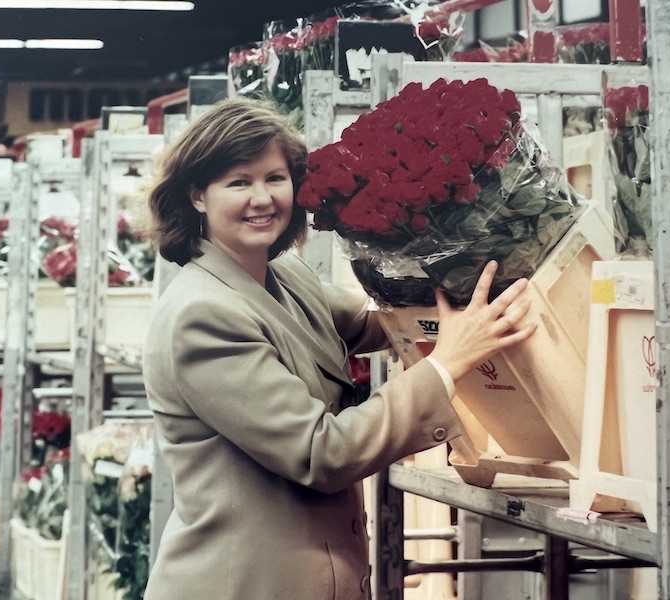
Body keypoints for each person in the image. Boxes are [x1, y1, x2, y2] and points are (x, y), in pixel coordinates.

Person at [142, 96, 537, 599]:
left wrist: (461, 263)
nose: (262, 199)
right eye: (238, 182)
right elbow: (322, 451)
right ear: (197, 195)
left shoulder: (281, 275)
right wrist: (448, 362)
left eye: (274, 178)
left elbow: (379, 326)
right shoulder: (202, 316)